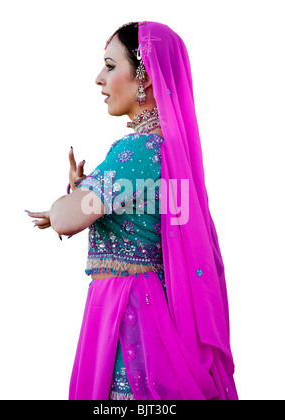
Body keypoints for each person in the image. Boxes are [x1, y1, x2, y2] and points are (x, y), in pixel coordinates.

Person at [26, 21, 238, 400]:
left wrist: (67, 202)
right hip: (143, 309)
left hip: (128, 317)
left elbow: (66, 218)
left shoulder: (136, 152)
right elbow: (100, 210)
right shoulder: (168, 154)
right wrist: (82, 194)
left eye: (110, 65)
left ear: (146, 77)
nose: (98, 78)